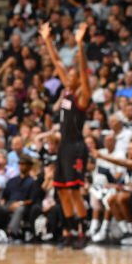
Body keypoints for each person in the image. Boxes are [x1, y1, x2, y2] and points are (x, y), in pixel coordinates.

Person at [40, 21, 91, 248]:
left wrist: (80, 46)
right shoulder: (68, 91)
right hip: (63, 147)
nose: (68, 74)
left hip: (76, 146)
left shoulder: (83, 95)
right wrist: (47, 40)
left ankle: (83, 232)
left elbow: (82, 72)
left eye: (72, 73)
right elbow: (57, 61)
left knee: (74, 190)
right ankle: (69, 232)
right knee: (61, 191)